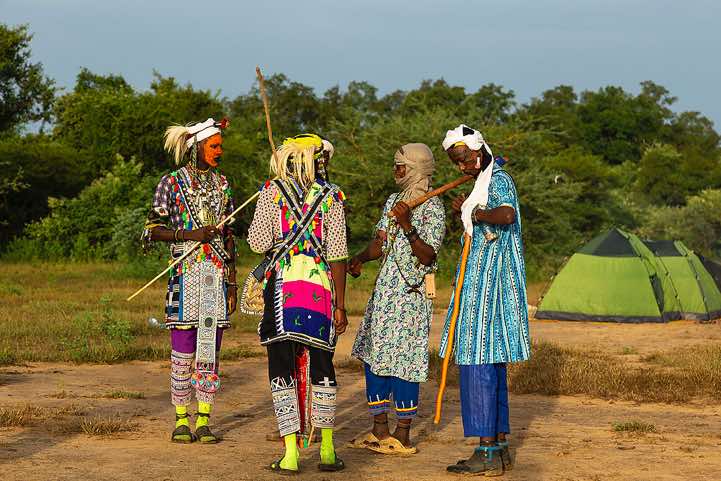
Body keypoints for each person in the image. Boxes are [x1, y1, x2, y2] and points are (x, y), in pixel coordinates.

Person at [247, 133, 348, 474]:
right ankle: (328, 452)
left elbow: (258, 242)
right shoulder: (333, 197)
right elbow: (337, 255)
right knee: (323, 367)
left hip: (282, 292)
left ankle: (290, 455)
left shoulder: (272, 192)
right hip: (320, 291)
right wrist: (340, 305)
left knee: (281, 368)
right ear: (318, 161)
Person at [439, 125, 530, 476]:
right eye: (456, 163)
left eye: (464, 159)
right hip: (484, 285)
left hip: (488, 289)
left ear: (478, 150)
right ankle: (500, 447)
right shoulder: (485, 182)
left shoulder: (498, 179)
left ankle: (487, 451)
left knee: (476, 361)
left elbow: (505, 215)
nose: (461, 167)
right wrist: (467, 208)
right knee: (491, 363)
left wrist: (474, 213)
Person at [142, 117, 236, 444]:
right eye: (214, 146)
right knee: (183, 350)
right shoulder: (170, 183)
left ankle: (205, 419)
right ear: (196, 148)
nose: (219, 151)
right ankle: (181, 418)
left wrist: (233, 283)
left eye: (220, 146)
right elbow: (151, 230)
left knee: (209, 350)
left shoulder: (223, 184)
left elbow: (230, 236)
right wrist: (188, 234)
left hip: (216, 277)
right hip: (184, 276)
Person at [348, 143, 445, 455]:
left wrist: (408, 225)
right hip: (385, 293)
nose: (395, 171)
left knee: (404, 360)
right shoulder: (394, 200)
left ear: (415, 168)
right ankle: (379, 430)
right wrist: (360, 258)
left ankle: (403, 435)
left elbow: (429, 255)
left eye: (400, 166)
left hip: (411, 295)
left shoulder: (432, 207)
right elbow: (381, 242)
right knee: (375, 353)